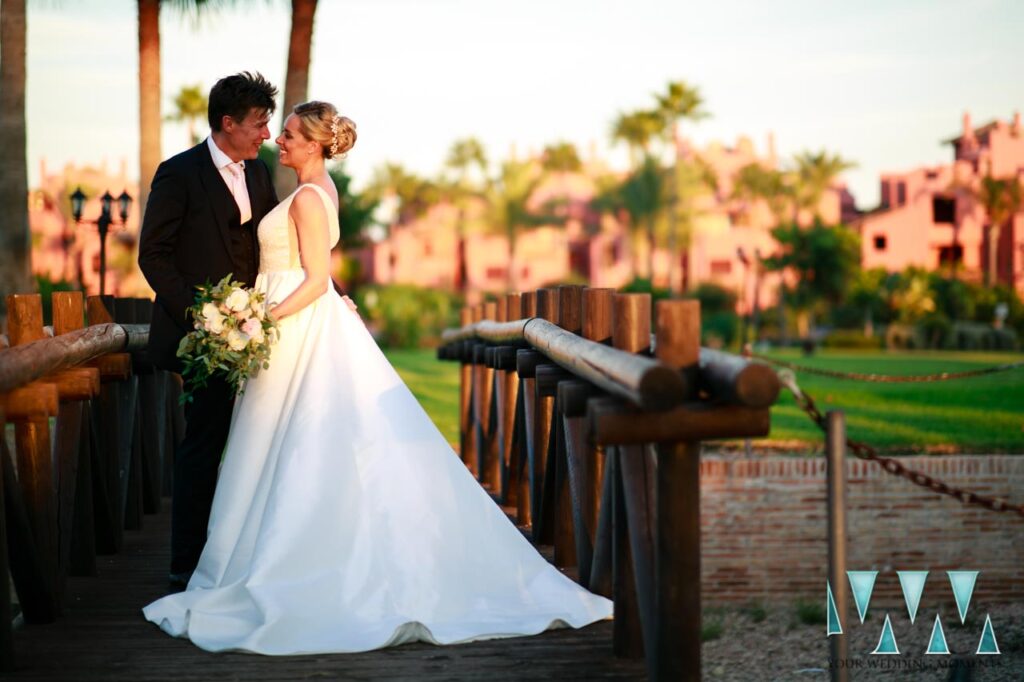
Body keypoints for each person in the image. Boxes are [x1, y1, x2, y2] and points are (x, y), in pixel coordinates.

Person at [141, 100, 613, 654]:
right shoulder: (302, 190)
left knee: (294, 445)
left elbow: (315, 279)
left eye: (289, 133)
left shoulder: (310, 198)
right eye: (278, 132)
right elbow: (319, 273)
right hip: (284, 331)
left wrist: (254, 318)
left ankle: (303, 560)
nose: (279, 141)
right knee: (278, 447)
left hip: (287, 326)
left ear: (315, 144)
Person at [138, 72, 279, 589]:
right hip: (202, 339)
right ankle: (186, 564)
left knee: (256, 441)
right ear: (228, 123)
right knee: (204, 442)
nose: (265, 134)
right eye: (258, 124)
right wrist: (200, 316)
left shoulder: (259, 173)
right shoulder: (178, 174)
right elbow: (151, 255)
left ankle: (244, 554)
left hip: (256, 332)